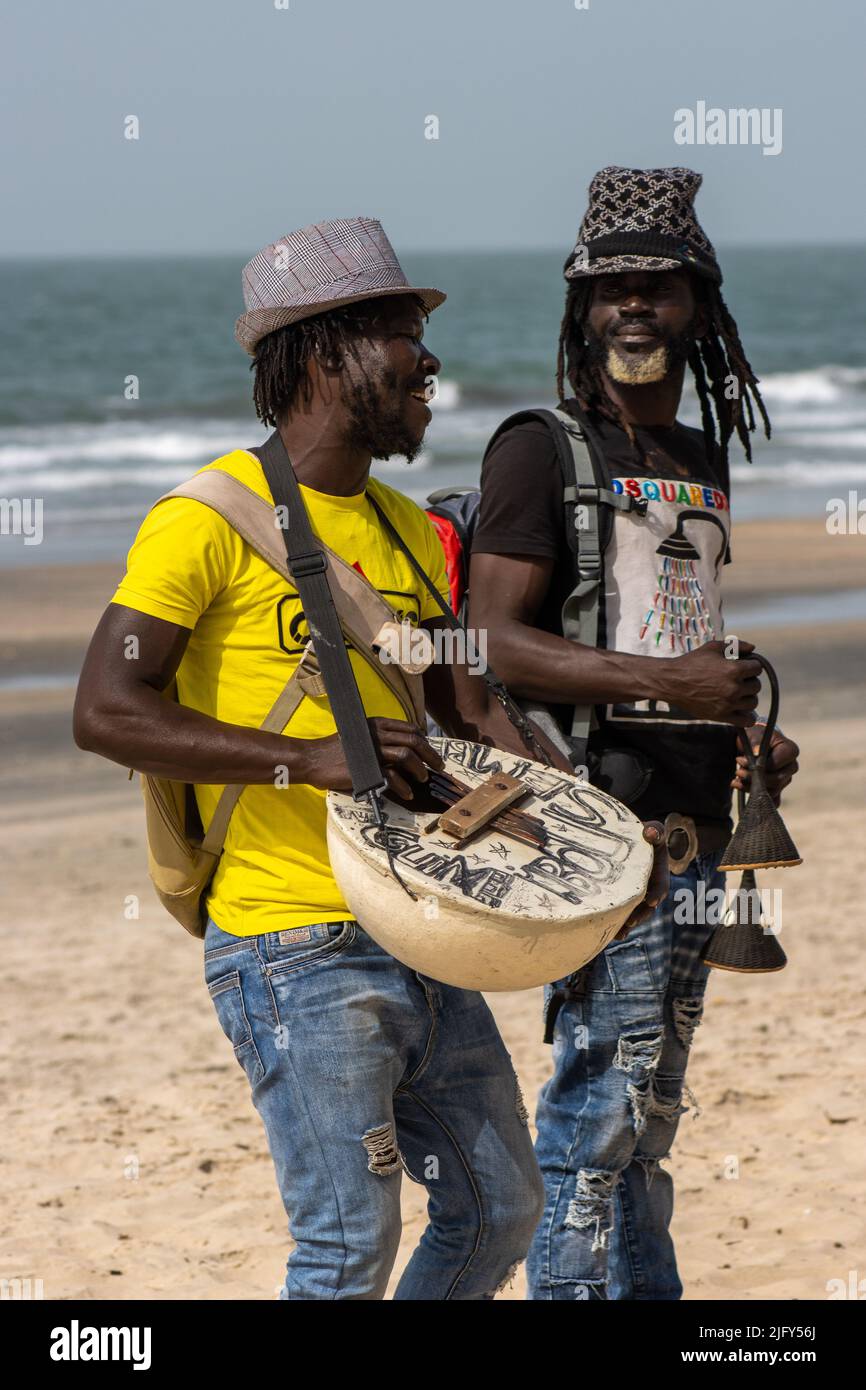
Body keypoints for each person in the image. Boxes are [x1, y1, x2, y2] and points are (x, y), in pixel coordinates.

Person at [73, 216, 666, 1301]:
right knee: (346, 1249)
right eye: (402, 331)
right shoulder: (203, 519)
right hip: (288, 943)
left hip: (422, 918)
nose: (428, 361)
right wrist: (306, 757)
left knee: (500, 1210)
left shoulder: (398, 527)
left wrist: (597, 848)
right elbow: (105, 708)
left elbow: (465, 710)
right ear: (324, 348)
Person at [469, 168, 800, 1300]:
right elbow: (490, 641)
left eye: (654, 285)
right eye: (607, 286)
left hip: (699, 831)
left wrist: (741, 733)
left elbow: (685, 640)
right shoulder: (538, 448)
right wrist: (667, 682)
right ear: (579, 308)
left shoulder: (700, 457)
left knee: (649, 1121)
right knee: (600, 1116)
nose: (630, 305)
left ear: (696, 305)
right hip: (602, 831)